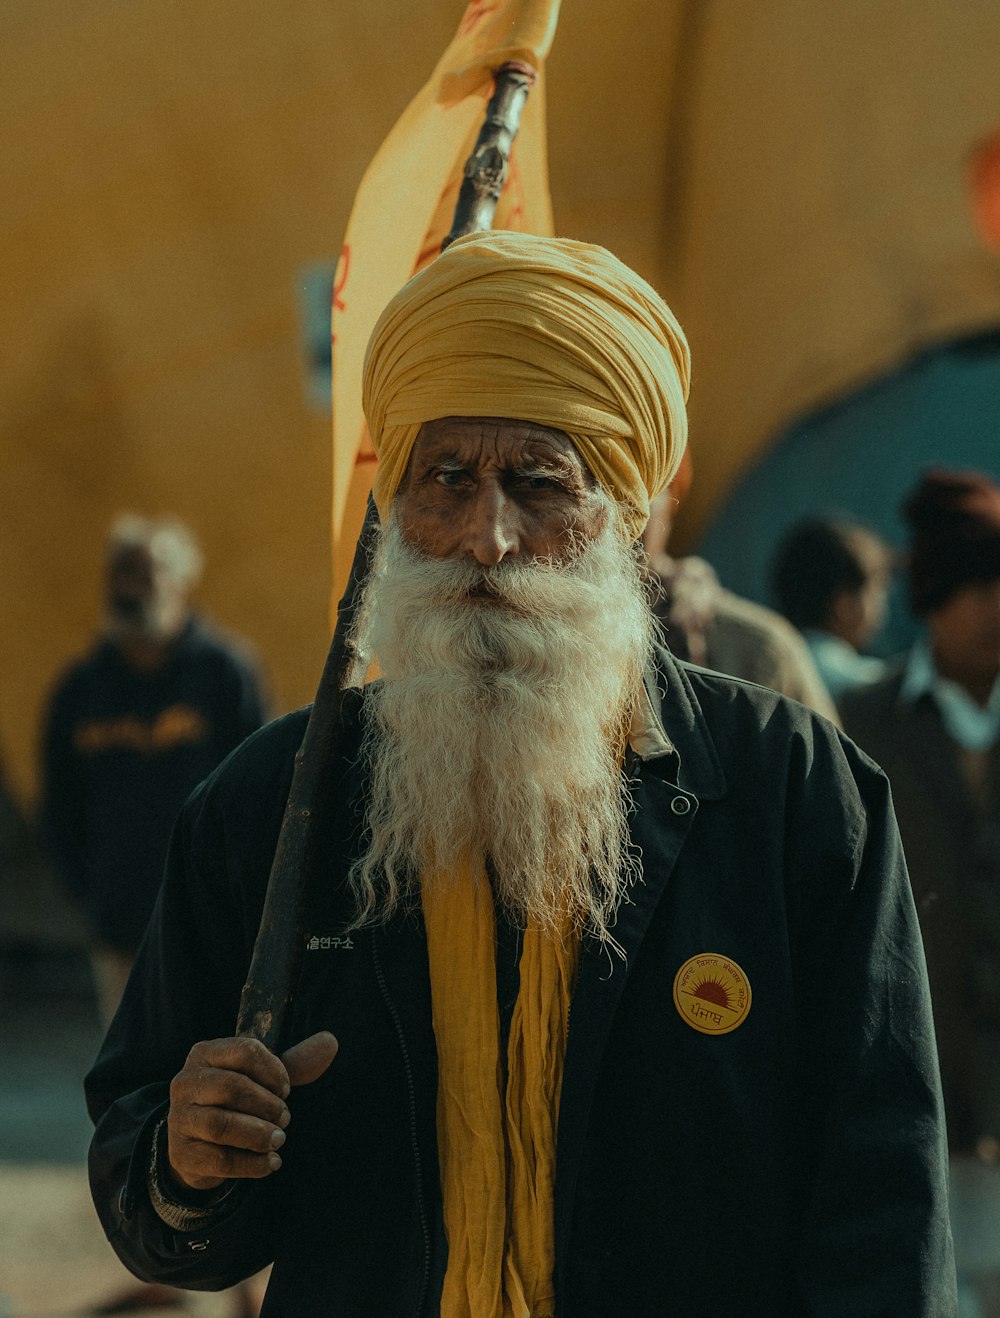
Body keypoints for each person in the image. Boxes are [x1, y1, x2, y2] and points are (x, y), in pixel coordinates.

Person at [86, 233, 955, 1316]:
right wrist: (187, 1159)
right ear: (396, 504)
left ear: (627, 511)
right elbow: (154, 1199)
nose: (485, 537)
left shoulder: (793, 792)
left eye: (538, 483)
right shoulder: (274, 802)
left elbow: (881, 1201)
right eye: (445, 478)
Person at [44, 515, 268, 1316]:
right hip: (121, 938)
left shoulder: (224, 676)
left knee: (231, 1099)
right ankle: (166, 1257)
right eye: (120, 575)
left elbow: (267, 801)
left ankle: (241, 1279)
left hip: (217, 939)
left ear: (181, 583)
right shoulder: (80, 691)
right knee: (138, 1100)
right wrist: (93, 893)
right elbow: (60, 812)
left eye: (144, 574)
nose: (130, 590)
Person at [840, 469, 1000, 1317]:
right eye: (981, 587)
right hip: (917, 1100)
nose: (997, 608)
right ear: (937, 597)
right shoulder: (859, 725)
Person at [642, 475, 839, 721]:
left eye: (635, 489)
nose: (608, 511)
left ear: (670, 501)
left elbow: (819, 755)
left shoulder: (760, 649)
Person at [771, 516, 893, 703]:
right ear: (844, 606)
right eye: (879, 591)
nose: (884, 604)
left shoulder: (772, 668)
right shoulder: (867, 682)